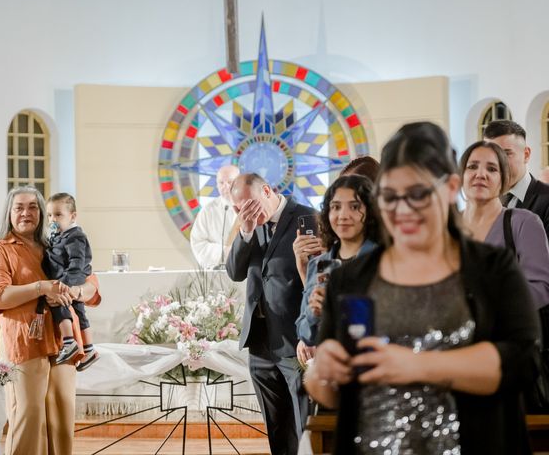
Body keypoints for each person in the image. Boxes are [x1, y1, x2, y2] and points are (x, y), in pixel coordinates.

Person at [305, 122, 539, 454]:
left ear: (450, 188)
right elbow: (332, 388)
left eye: (418, 194)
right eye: (389, 196)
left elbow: (522, 363)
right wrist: (320, 375)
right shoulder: (352, 278)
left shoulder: (491, 269)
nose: (402, 210)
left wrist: (417, 365)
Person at [0, 186, 100, 455]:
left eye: (33, 207)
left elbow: (91, 283)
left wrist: (77, 291)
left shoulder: (56, 243)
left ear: (42, 213)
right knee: (29, 416)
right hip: (24, 344)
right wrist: (42, 287)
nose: (26, 213)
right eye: (19, 207)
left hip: (63, 343)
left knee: (61, 417)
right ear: (8, 213)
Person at [225, 173, 315, 455]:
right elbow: (235, 272)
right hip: (260, 343)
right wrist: (246, 230)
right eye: (239, 210)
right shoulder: (250, 226)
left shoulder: (309, 217)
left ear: (266, 190)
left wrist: (311, 332)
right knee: (276, 428)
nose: (245, 213)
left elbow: (317, 279)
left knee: (304, 424)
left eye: (249, 206)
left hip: (295, 340)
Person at [295, 175, 379, 365]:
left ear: (371, 212)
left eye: (355, 207)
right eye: (336, 207)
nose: (343, 215)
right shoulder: (319, 265)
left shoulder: (384, 260)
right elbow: (304, 333)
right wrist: (313, 313)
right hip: (332, 372)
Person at [460, 141, 549, 308]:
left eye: (492, 169)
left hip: (506, 330)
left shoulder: (524, 223)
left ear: (504, 181)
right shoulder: (445, 226)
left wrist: (486, 306)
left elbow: (541, 288)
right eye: (472, 166)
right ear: (460, 176)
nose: (480, 174)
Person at [42, 193, 99, 370]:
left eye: (58, 215)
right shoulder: (59, 236)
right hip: (68, 280)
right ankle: (89, 351)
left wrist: (64, 285)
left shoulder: (75, 237)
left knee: (59, 305)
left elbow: (77, 263)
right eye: (50, 215)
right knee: (80, 313)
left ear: (72, 216)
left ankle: (69, 343)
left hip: (70, 279)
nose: (53, 219)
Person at [484, 120, 549, 239]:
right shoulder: (482, 200)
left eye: (506, 154)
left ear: (526, 154)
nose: (498, 163)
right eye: (491, 155)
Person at [190, 164, 240, 268]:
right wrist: (224, 252)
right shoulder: (208, 210)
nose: (225, 186)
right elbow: (198, 242)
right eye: (221, 182)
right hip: (218, 269)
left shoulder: (251, 206)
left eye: (229, 182)